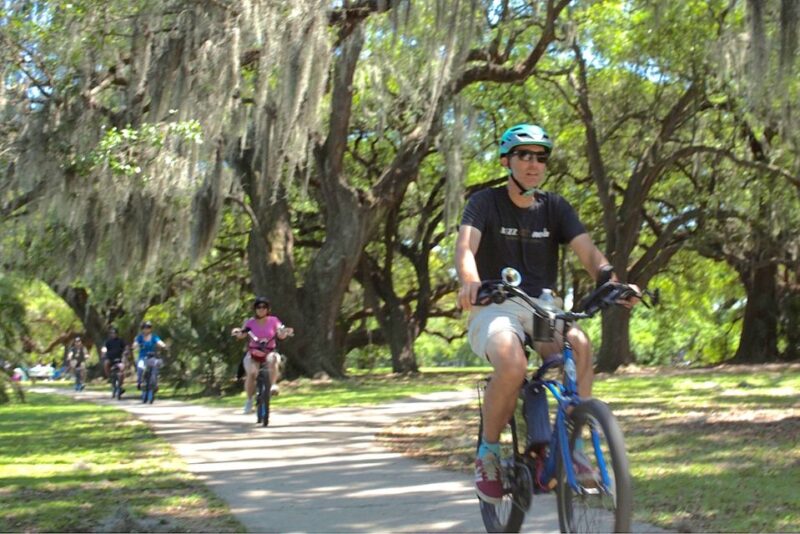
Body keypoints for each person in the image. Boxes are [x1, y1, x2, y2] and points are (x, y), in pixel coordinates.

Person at [455, 123, 639, 504]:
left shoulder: (555, 207)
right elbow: (466, 247)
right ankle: (488, 453)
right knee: (511, 362)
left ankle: (570, 444)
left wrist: (612, 281)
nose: (533, 164)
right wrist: (470, 281)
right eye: (524, 155)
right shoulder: (484, 202)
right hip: (496, 304)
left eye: (541, 157)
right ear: (507, 161)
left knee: (578, 343)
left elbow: (589, 254)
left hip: (540, 307)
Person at [231, 296, 294, 415]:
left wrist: (284, 332)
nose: (261, 309)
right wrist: (237, 332)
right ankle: (249, 400)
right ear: (255, 309)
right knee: (252, 373)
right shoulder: (250, 322)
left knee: (273, 358)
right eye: (259, 307)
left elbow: (281, 333)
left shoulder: (274, 320)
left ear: (268, 309)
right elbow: (242, 334)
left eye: (264, 307)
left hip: (269, 352)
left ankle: (273, 385)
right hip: (253, 353)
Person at [132, 321, 167, 389]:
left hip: (151, 357)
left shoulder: (154, 337)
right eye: (145, 327)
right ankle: (139, 382)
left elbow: (159, 342)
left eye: (149, 327)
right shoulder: (139, 337)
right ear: (142, 329)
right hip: (142, 357)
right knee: (140, 368)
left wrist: (163, 345)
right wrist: (135, 345)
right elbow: (135, 343)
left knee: (155, 367)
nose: (147, 329)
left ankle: (155, 383)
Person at [101, 327, 128, 397]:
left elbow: (126, 347)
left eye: (114, 333)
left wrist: (126, 351)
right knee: (105, 363)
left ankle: (120, 385)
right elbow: (104, 348)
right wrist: (103, 352)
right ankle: (109, 377)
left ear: (117, 334)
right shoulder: (108, 341)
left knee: (122, 368)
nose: (113, 334)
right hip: (110, 359)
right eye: (111, 333)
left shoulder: (121, 341)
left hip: (119, 359)